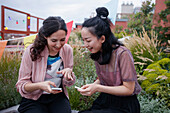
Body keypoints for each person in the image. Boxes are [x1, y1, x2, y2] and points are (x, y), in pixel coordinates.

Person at [77, 7, 142, 113]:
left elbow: (129, 89)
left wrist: (98, 88)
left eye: (88, 40)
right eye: (83, 40)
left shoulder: (122, 54)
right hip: (106, 99)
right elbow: (104, 78)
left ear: (102, 38)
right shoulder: (98, 54)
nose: (85, 45)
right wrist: (93, 85)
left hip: (125, 105)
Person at [16, 16, 76, 113]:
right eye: (54, 40)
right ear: (45, 36)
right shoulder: (31, 51)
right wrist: (40, 85)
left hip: (57, 96)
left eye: (62, 40)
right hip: (33, 98)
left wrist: (69, 76)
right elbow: (21, 85)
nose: (58, 45)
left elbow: (67, 83)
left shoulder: (67, 50)